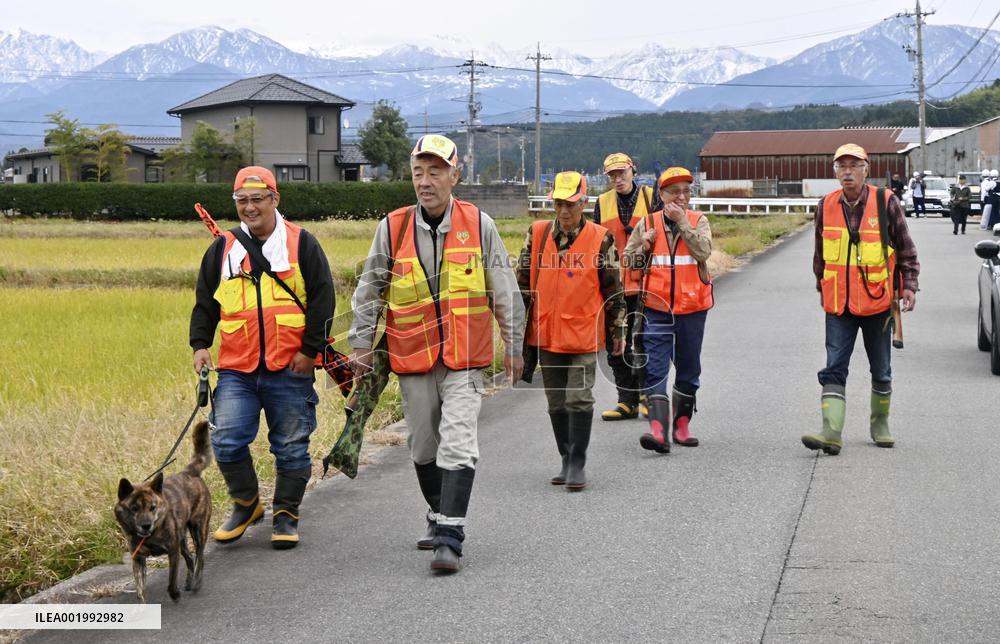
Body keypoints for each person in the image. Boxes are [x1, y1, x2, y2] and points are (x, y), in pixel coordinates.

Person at [348, 134, 524, 574]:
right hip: (413, 358)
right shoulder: (392, 228)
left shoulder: (479, 224)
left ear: (454, 175)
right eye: (418, 173)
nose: (425, 182)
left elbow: (504, 290)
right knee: (424, 446)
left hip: (465, 360)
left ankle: (450, 537)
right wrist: (360, 344)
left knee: (459, 442)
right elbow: (370, 289)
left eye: (435, 172)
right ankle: (437, 511)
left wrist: (515, 344)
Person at [190, 166, 335, 549]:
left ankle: (286, 514)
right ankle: (246, 503)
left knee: (290, 444)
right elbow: (206, 302)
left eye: (257, 199)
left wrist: (309, 351)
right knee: (226, 440)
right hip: (238, 366)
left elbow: (323, 300)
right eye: (242, 201)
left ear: (275, 199)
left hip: (291, 365)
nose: (250, 207)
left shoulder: (302, 243)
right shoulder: (222, 249)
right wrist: (200, 345)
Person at [802, 144, 920, 455]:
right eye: (842, 166)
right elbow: (820, 256)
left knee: (881, 369)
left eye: (854, 165)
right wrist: (822, 286)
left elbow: (906, 249)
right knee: (834, 367)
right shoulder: (825, 205)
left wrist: (909, 285)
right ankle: (831, 431)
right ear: (835, 171)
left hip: (878, 303)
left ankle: (880, 423)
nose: (848, 171)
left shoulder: (885, 202)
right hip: (839, 304)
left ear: (866, 169)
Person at [517, 171, 626, 491]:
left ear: (585, 202)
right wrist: (512, 332)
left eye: (571, 204)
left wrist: (618, 330)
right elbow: (521, 283)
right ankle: (565, 458)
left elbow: (614, 290)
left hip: (583, 336)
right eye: (559, 204)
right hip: (547, 335)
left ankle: (578, 462)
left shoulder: (599, 238)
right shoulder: (536, 234)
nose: (564, 211)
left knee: (578, 398)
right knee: (555, 402)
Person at [622, 167, 714, 454]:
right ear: (661, 195)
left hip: (693, 307)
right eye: (675, 191)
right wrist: (643, 247)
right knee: (656, 368)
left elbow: (703, 252)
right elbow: (629, 262)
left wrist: (683, 223)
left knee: (689, 368)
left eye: (687, 190)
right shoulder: (647, 223)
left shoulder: (698, 220)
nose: (682, 196)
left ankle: (682, 426)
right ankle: (658, 431)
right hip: (656, 308)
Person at [592, 152, 658, 421]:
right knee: (616, 344)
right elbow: (595, 241)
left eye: (622, 173)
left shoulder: (651, 196)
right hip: (613, 285)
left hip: (646, 282)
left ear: (633, 170)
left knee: (643, 341)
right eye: (612, 175)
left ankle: (647, 397)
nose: (618, 179)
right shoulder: (602, 202)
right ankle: (626, 400)